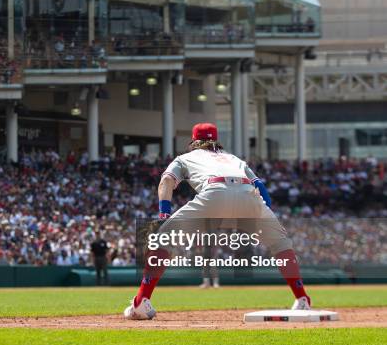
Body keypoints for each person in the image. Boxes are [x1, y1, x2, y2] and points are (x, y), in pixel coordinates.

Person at [124, 123, 312, 320]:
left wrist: (163, 215)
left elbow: (166, 182)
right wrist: (264, 215)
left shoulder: (185, 158)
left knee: (162, 239)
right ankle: (302, 298)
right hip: (249, 196)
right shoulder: (234, 159)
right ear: (216, 139)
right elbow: (262, 189)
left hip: (214, 193)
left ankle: (141, 302)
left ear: (194, 141)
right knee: (281, 244)